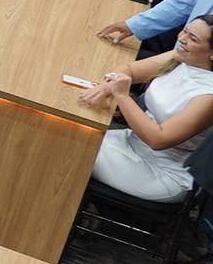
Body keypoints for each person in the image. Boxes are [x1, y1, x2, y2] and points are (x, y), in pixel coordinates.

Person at [81, 15, 213, 203]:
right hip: (129, 142)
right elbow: (129, 70)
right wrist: (106, 85)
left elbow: (157, 140)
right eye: (185, 31)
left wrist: (122, 96)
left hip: (162, 171)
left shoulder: (208, 96)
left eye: (193, 39)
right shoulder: (180, 57)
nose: (181, 39)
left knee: (68, 147)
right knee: (66, 133)